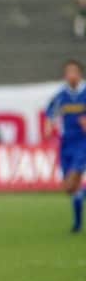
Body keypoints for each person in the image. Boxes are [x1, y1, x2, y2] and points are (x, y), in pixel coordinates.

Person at [45, 60, 86, 233]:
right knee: (70, 189)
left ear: (80, 74)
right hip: (66, 144)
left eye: (74, 71)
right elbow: (50, 114)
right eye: (68, 72)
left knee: (73, 179)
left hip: (83, 143)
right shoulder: (61, 95)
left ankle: (77, 225)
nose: (71, 75)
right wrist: (48, 126)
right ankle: (77, 224)